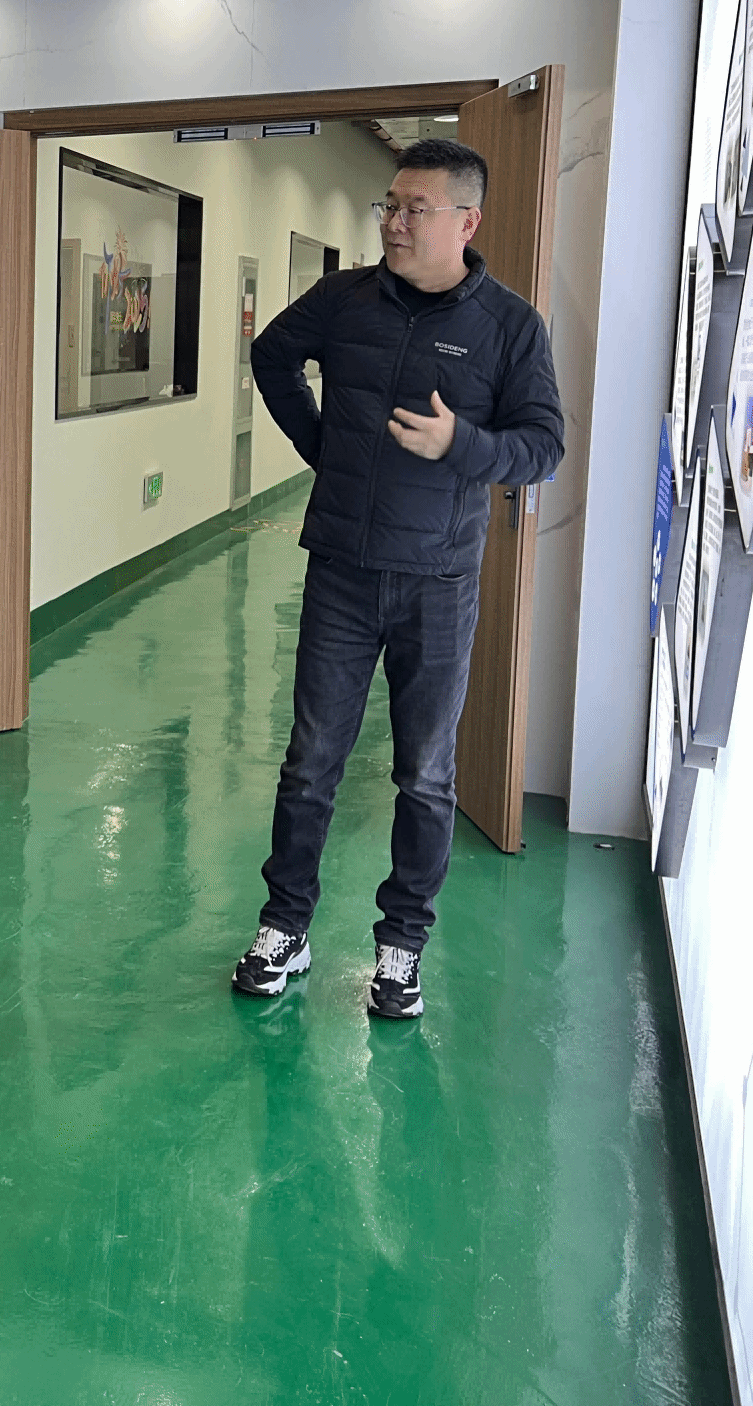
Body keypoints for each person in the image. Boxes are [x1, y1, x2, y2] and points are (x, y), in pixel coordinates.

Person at [234, 137, 565, 1018]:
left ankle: (402, 945)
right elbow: (271, 356)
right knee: (311, 761)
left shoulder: (509, 327)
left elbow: (543, 446)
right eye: (391, 205)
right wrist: (324, 447)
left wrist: (463, 444)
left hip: (438, 583)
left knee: (424, 773)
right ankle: (285, 926)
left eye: (417, 209)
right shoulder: (344, 300)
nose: (395, 223)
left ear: (467, 221)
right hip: (342, 570)